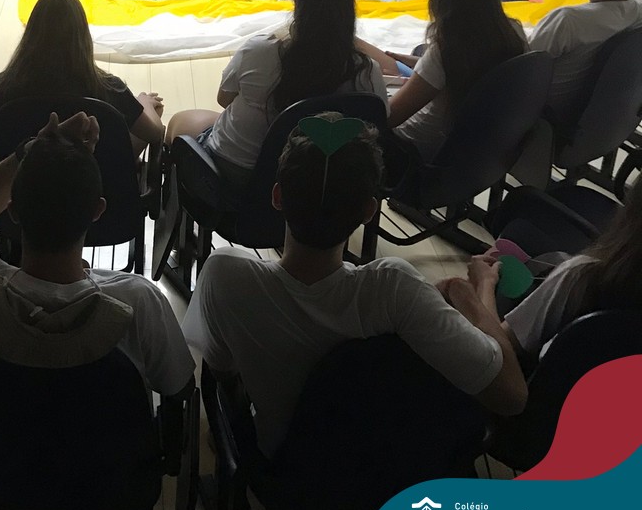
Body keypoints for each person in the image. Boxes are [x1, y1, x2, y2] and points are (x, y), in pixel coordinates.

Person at [182, 116, 527, 458]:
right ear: (369, 211)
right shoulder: (393, 290)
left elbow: (223, 370)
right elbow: (511, 396)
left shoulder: (224, 275)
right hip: (381, 462)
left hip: (284, 468)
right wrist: (473, 293)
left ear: (277, 197)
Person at [0, 110, 194, 394]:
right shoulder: (138, 301)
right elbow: (179, 387)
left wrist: (32, 148)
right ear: (97, 211)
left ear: (13, 211)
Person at [164, 0, 387, 186]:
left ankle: (168, 195)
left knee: (179, 121)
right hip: (322, 184)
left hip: (239, 175)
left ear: (297, 8)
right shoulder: (367, 72)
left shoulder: (259, 50)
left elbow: (224, 99)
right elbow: (380, 120)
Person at [364, 0, 527, 163]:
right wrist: (420, 65)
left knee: (365, 58)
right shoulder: (512, 31)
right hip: (477, 148)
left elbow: (389, 118)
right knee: (410, 54)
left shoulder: (446, 50)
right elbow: (466, 69)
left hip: (413, 149)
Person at [0, 0, 164, 156]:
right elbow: (155, 133)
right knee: (149, 114)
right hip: (94, 183)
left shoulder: (4, 88)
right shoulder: (110, 89)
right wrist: (144, 103)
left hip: (22, 183)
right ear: (83, 37)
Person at [495, 180, 642, 366]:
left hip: (525, 377)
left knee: (518, 232)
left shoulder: (584, 277)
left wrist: (482, 284)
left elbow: (494, 350)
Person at [528, 0, 642, 126]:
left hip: (549, 118)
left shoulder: (568, 22)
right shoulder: (639, 12)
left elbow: (520, 71)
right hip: (603, 117)